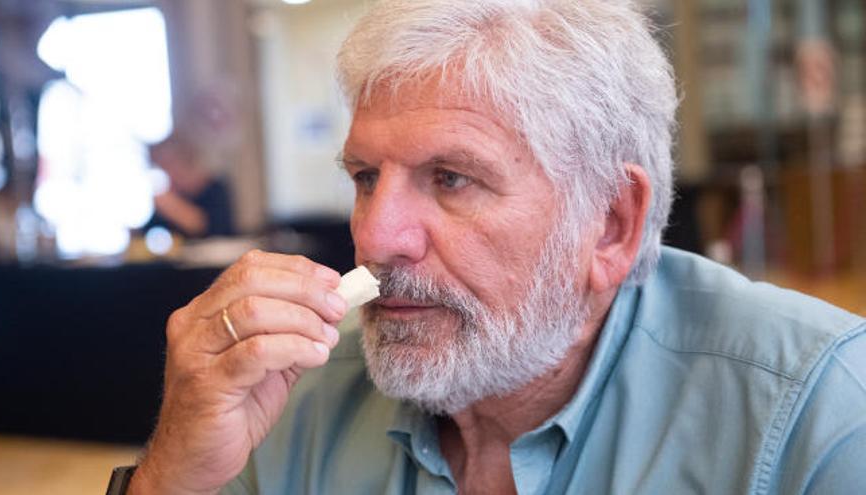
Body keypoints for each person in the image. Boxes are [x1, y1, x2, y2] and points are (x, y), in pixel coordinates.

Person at [114, 1, 866, 493]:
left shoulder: (814, 413)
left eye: (451, 178)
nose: (375, 236)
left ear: (609, 224)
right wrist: (169, 476)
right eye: (366, 176)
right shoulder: (295, 391)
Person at [144, 132, 235, 238]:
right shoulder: (165, 195)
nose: (165, 170)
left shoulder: (215, 189)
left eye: (168, 163)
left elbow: (208, 228)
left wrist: (170, 204)